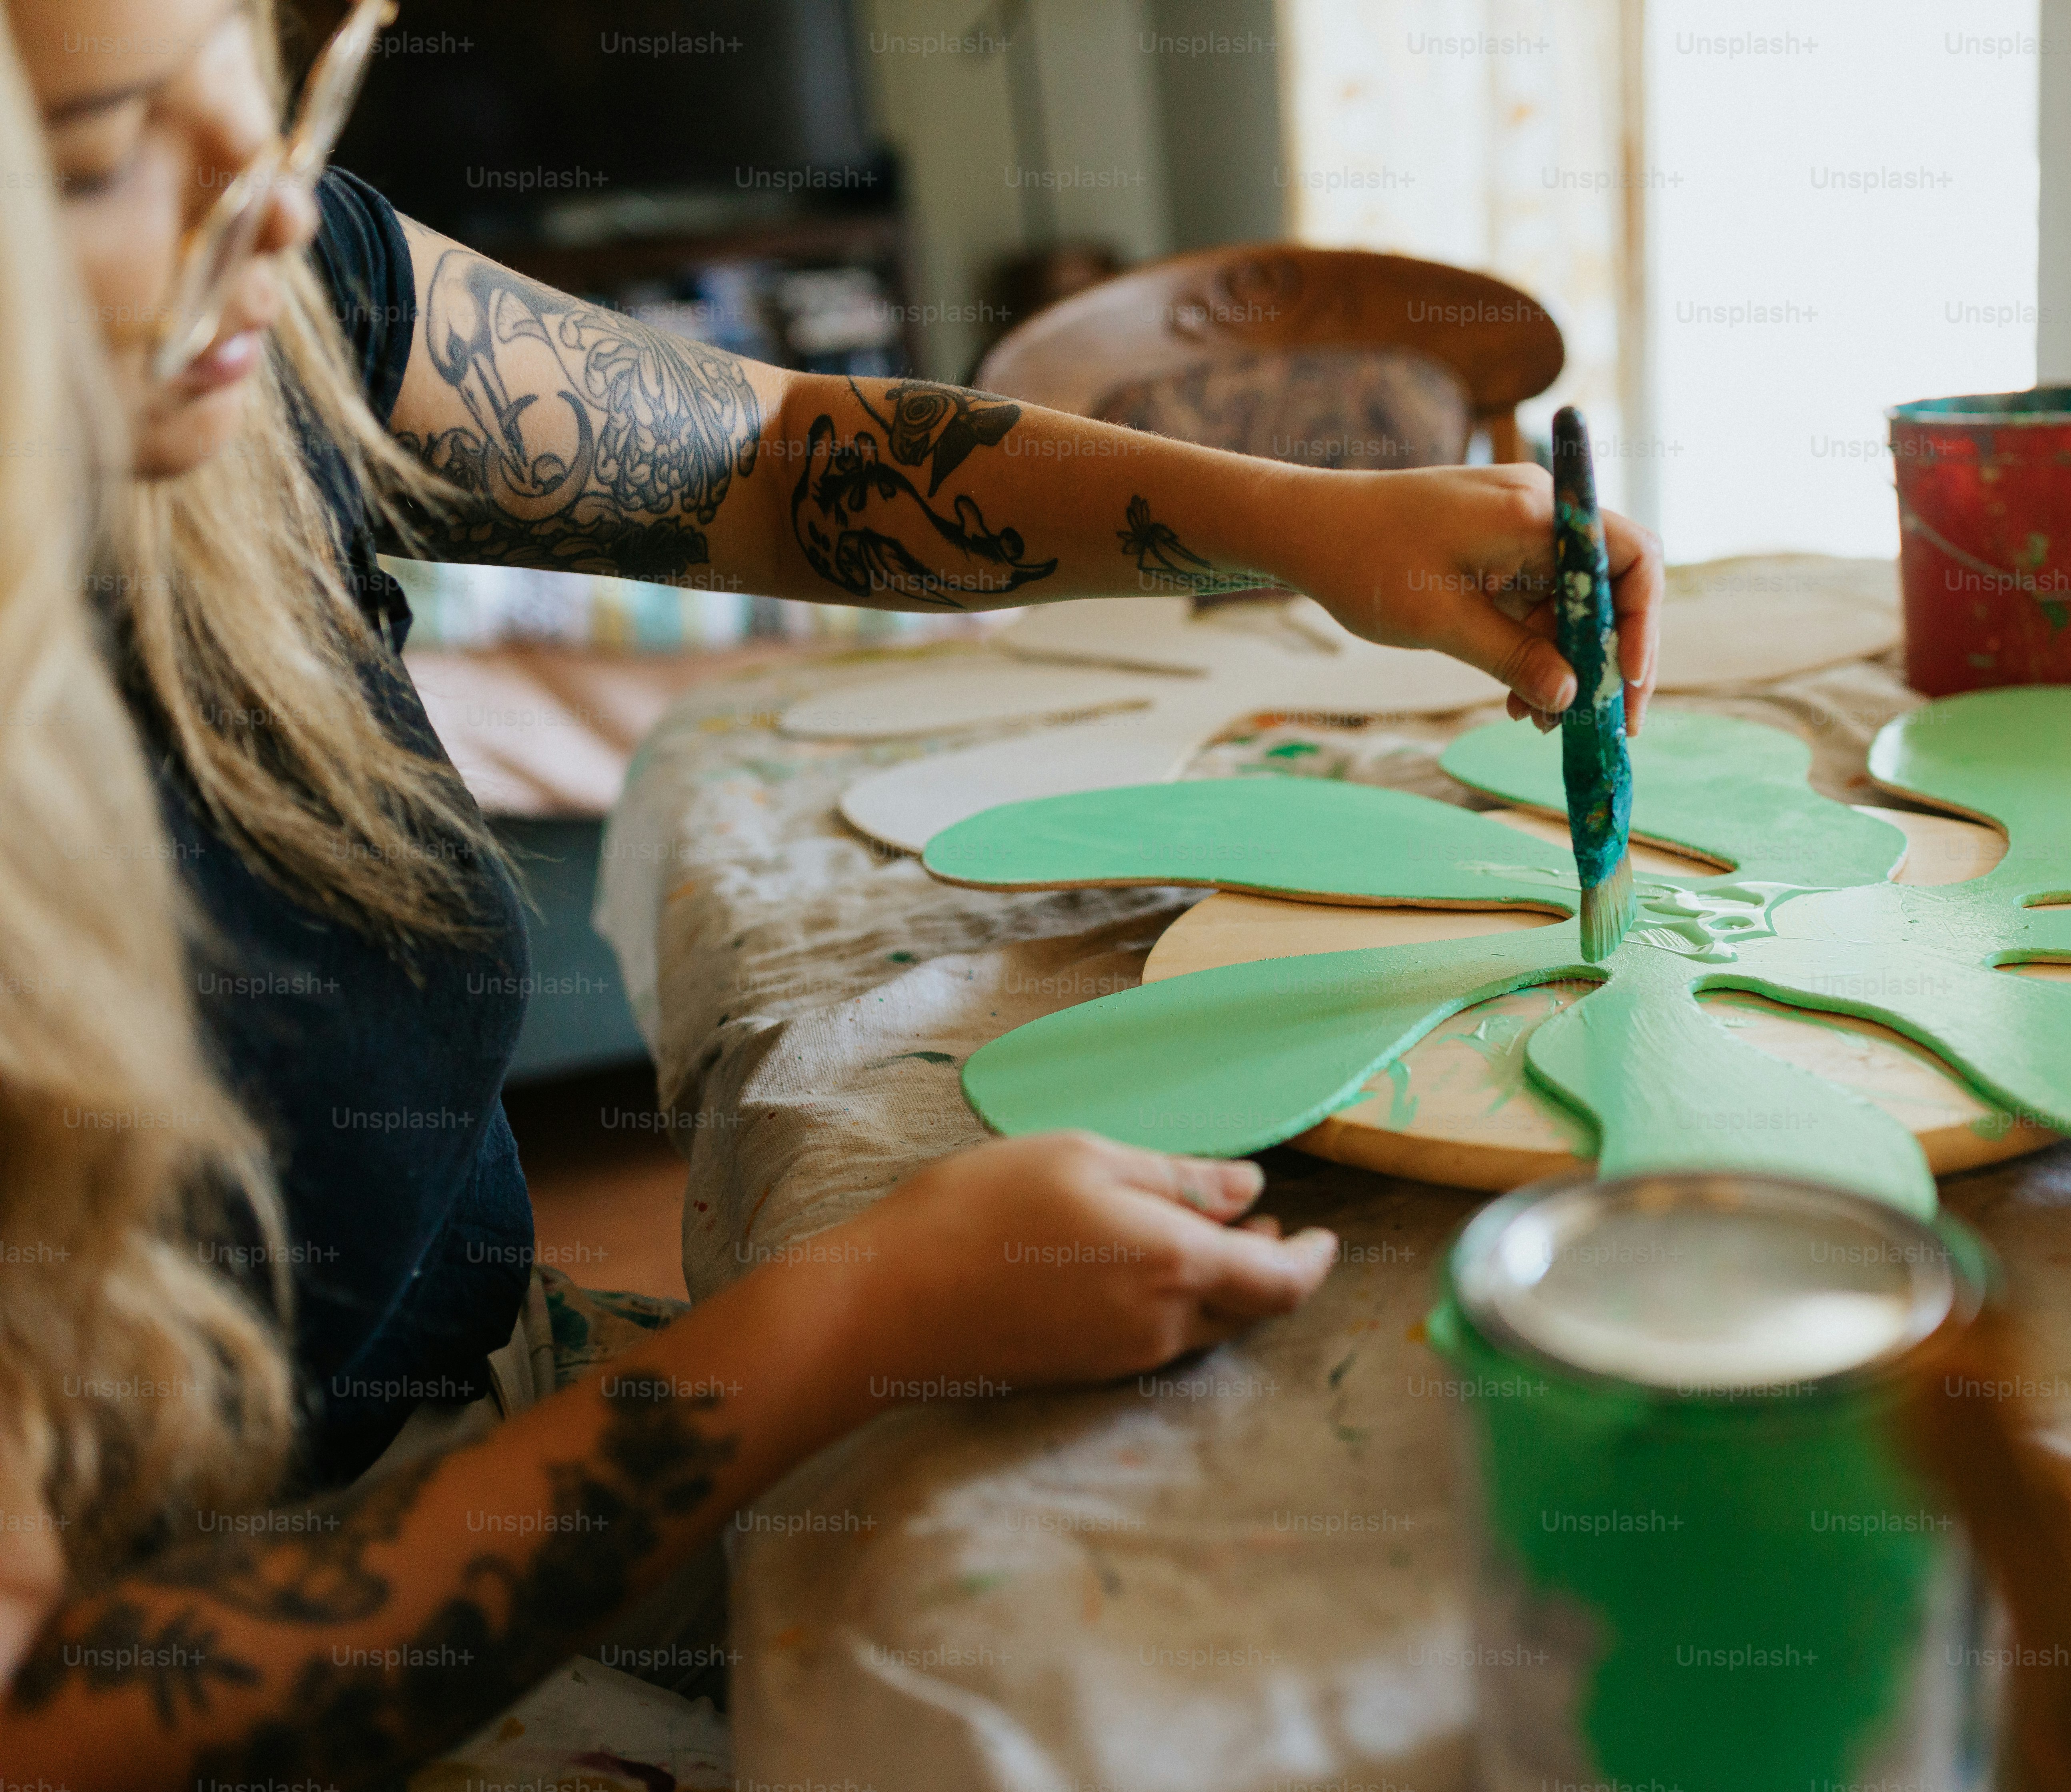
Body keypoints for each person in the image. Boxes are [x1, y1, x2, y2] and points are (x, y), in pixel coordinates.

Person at [0, 2, 1663, 1782]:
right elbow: (54, 1719)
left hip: (497, 1408)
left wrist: (1308, 522)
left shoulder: (278, 283)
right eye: (99, 150)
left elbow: (770, 457)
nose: (262, 190)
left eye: (273, 75)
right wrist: (850, 1317)